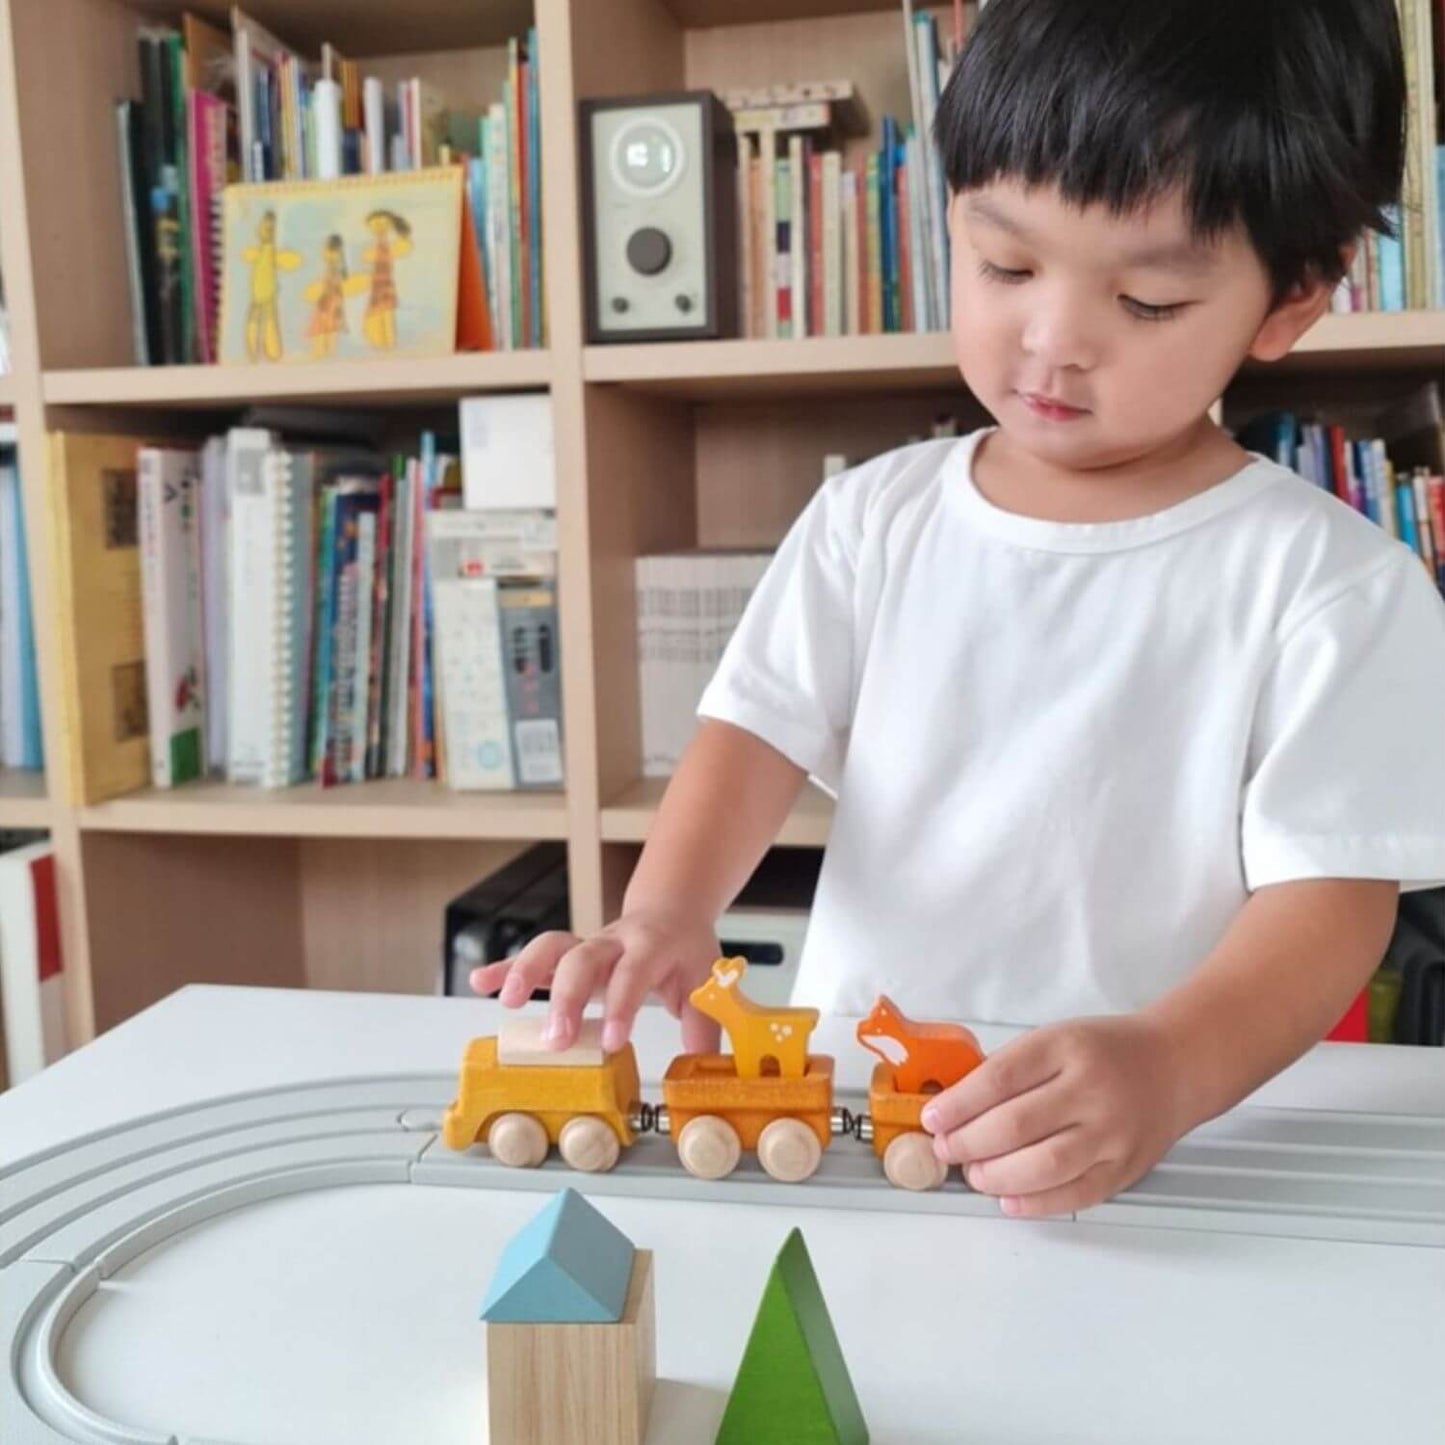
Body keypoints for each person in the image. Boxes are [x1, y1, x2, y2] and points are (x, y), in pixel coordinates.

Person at [472, 0, 1445, 1216]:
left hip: (1150, 1147)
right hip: (851, 1107)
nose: (1050, 340)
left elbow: (1329, 900)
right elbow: (752, 730)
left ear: (1290, 300)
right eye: (1004, 263)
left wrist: (1170, 1063)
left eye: (1144, 301)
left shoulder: (1333, 585)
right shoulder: (873, 519)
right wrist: (661, 912)